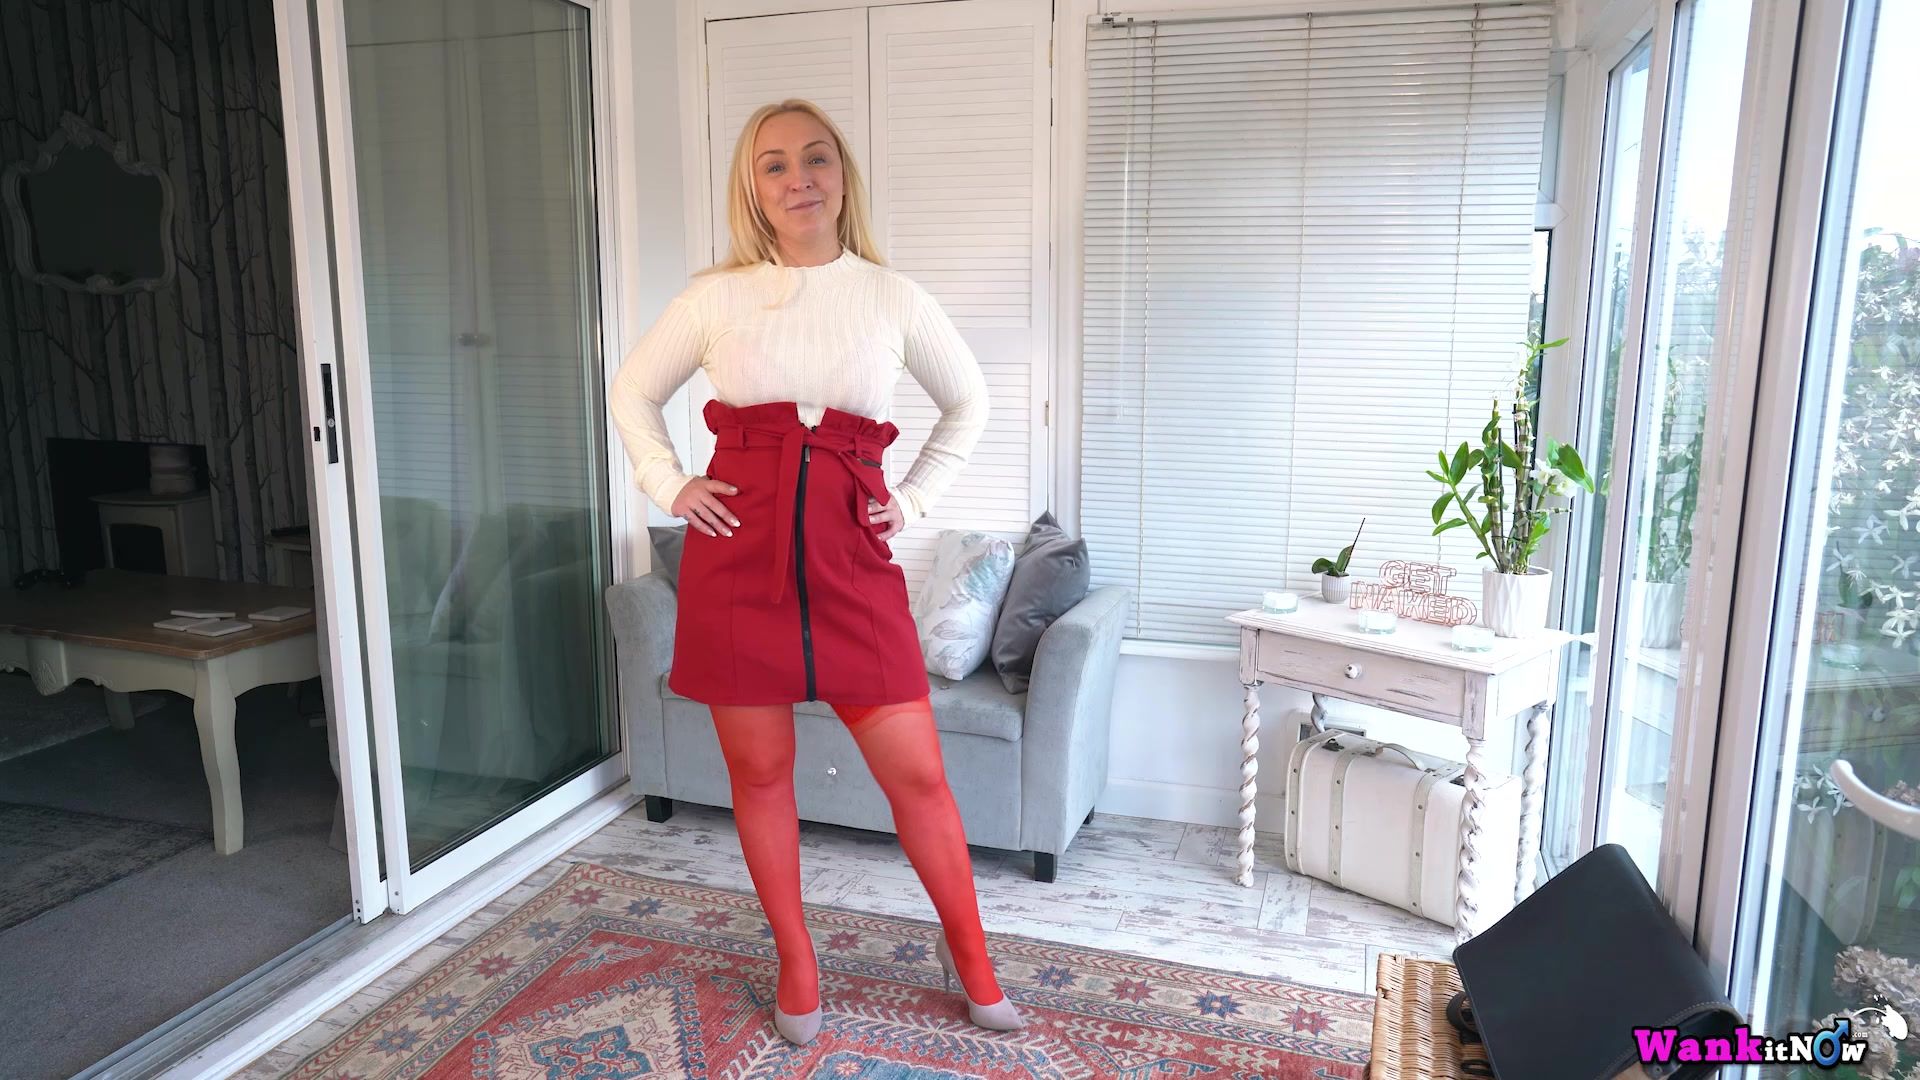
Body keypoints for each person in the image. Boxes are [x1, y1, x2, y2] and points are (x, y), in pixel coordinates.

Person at [609, 98, 1020, 1046]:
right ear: (752, 190)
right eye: (775, 165)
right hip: (735, 566)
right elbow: (632, 391)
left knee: (919, 778)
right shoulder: (714, 298)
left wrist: (912, 499)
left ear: (842, 176)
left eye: (816, 158)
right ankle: (797, 961)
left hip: (851, 566)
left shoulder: (892, 297)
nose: (799, 179)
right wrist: (670, 483)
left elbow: (969, 402)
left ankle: (972, 958)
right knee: (760, 777)